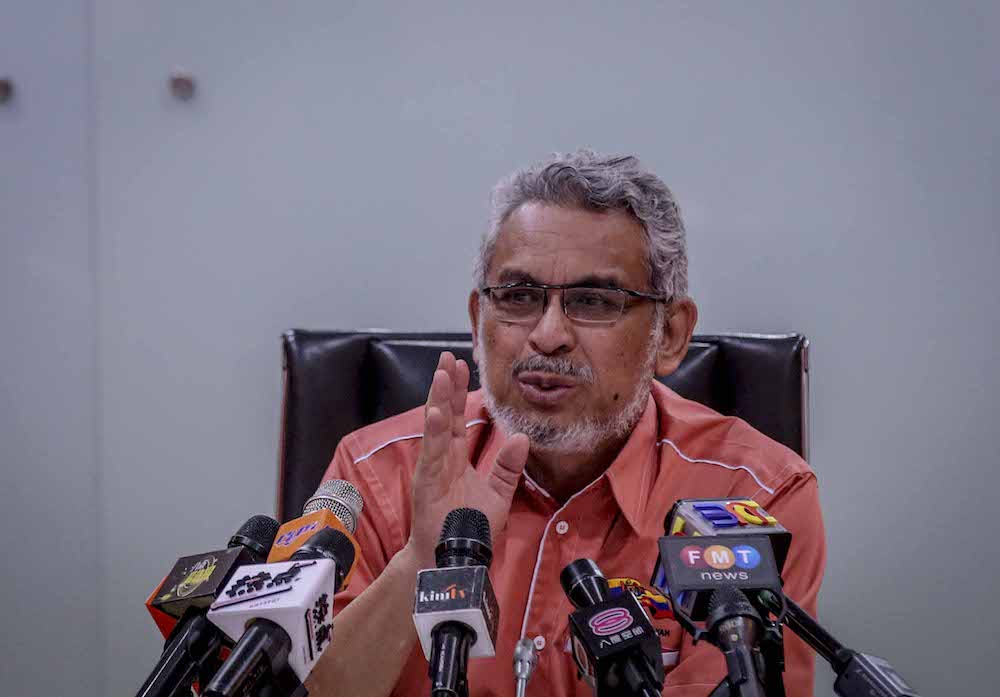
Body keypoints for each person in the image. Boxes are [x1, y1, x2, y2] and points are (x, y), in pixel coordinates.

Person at [305, 151, 825, 697]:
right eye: (519, 297)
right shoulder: (375, 472)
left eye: (594, 301)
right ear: (479, 321)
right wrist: (421, 558)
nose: (548, 334)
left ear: (669, 335)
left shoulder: (757, 496)